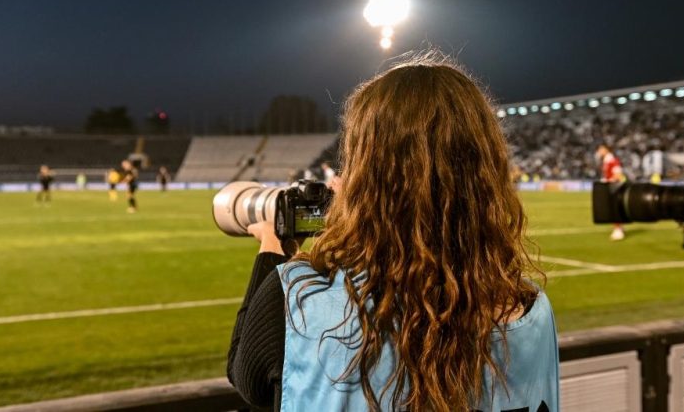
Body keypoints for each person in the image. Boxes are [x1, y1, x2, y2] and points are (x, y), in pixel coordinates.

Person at [228, 56, 559, 412]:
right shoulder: (531, 310)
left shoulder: (301, 303)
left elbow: (247, 376)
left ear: (364, 179)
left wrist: (273, 251)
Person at [596, 144, 626, 240]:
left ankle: (618, 230)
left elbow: (618, 174)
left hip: (613, 187)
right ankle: (618, 228)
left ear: (606, 149)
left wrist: (609, 181)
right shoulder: (606, 160)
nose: (599, 151)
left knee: (614, 209)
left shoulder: (612, 160)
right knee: (612, 208)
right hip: (610, 187)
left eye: (601, 149)